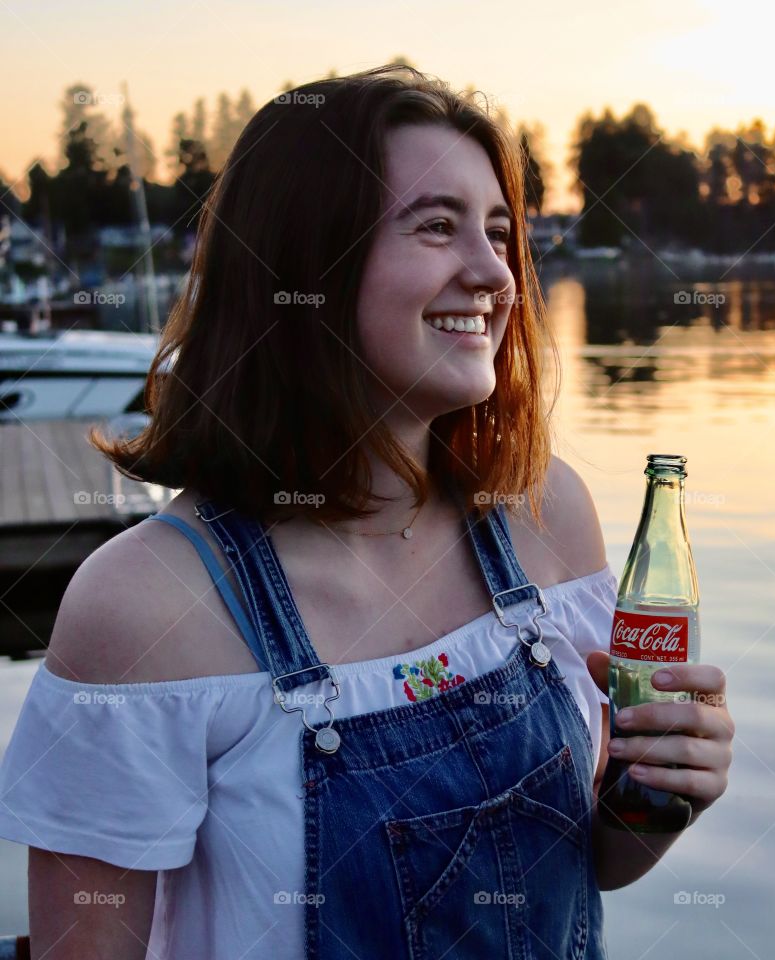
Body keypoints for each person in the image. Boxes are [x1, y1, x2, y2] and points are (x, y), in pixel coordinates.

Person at [0, 64, 734, 958]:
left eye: (501, 233)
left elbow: (589, 862)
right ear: (304, 263)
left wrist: (662, 796)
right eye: (437, 227)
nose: (495, 274)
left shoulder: (545, 513)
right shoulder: (146, 606)